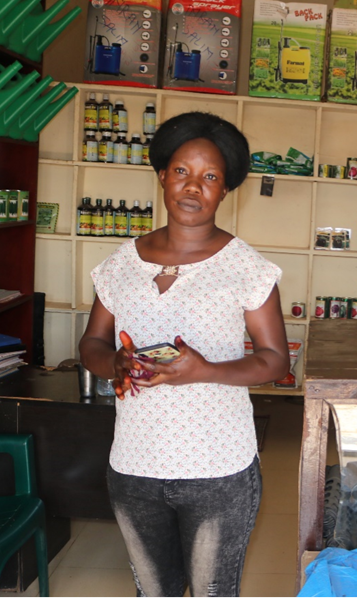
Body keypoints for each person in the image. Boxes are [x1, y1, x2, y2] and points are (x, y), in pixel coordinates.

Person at [79, 111, 290, 598]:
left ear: (224, 190)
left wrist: (206, 370)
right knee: (154, 592)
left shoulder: (246, 268)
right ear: (162, 177)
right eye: (182, 172)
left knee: (213, 591)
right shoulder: (120, 264)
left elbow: (275, 358)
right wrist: (113, 362)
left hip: (218, 467)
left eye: (210, 177)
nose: (193, 187)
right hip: (133, 463)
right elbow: (92, 342)